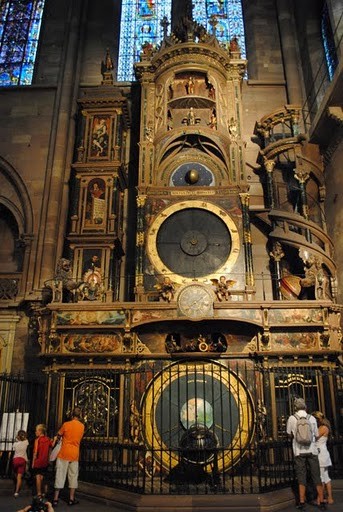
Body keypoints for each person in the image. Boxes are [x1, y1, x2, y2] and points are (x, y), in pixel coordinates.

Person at [286, 398, 326, 510]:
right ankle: (322, 501)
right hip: (312, 450)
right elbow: (316, 434)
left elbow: (289, 433)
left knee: (301, 476)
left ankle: (302, 501)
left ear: (295, 407)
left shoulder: (292, 418)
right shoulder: (312, 418)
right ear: (305, 407)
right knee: (316, 476)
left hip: (299, 451)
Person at [53, 407, 85, 507]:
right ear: (80, 416)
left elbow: (59, 435)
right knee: (73, 476)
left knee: (60, 475)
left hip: (64, 452)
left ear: (71, 415)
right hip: (75, 454)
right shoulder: (82, 426)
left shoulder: (66, 424)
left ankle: (55, 499)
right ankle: (71, 499)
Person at [312, 411, 334, 505]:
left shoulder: (323, 428)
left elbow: (314, 438)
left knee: (320, 477)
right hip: (323, 453)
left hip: (321, 454)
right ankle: (329, 498)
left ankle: (319, 498)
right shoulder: (323, 427)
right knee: (325, 476)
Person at [32, 424, 53, 498]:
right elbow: (52, 445)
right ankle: (45, 492)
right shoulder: (48, 439)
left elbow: (35, 452)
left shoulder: (37, 440)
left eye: (36, 430)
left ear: (40, 431)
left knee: (38, 476)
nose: (35, 432)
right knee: (43, 477)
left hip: (38, 461)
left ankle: (39, 493)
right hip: (45, 461)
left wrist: (33, 463)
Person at [12, 429, 29, 498]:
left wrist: (17, 438)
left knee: (15, 474)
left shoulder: (15, 444)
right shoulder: (26, 442)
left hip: (15, 459)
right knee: (19, 477)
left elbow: (14, 450)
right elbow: (25, 439)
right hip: (22, 460)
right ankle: (16, 492)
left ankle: (15, 484)